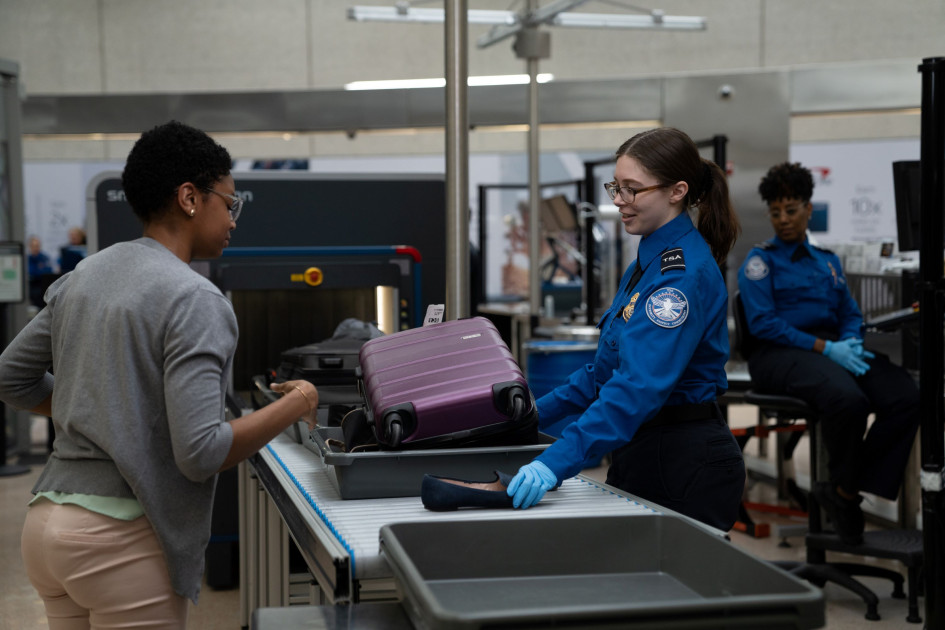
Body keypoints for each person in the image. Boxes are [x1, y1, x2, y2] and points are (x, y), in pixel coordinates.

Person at [0, 120, 320, 628]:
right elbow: (202, 453)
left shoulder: (85, 275)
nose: (235, 219)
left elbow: (10, 378)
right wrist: (297, 403)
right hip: (119, 538)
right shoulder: (194, 298)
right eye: (229, 202)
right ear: (190, 198)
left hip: (45, 529)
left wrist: (100, 408)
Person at [506, 127, 746, 531]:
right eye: (615, 187)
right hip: (646, 448)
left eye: (632, 189)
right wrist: (528, 417)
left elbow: (637, 387)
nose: (618, 201)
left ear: (677, 191)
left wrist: (555, 461)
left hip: (683, 461)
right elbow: (603, 374)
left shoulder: (679, 276)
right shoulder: (647, 263)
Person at [737, 161, 920, 544]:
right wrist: (826, 347)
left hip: (830, 347)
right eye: (775, 213)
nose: (783, 219)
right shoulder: (760, 262)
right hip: (777, 353)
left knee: (905, 397)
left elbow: (850, 313)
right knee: (847, 400)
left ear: (808, 208)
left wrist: (850, 341)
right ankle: (845, 491)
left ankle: (843, 494)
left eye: (791, 210)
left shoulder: (828, 261)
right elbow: (763, 324)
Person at [27, 236, 56, 309]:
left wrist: (38, 271)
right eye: (33, 246)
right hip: (32, 287)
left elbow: (48, 272)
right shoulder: (28, 259)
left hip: (44, 286)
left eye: (37, 246)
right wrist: (39, 270)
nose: (35, 248)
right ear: (30, 247)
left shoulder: (44, 257)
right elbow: (31, 272)